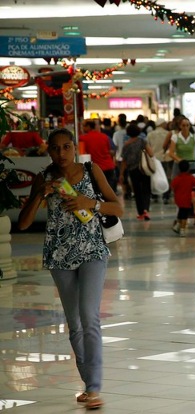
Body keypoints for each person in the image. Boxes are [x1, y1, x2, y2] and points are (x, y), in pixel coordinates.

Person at [17, 128, 124, 410]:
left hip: (93, 252)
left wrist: (93, 204)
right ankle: (89, 383)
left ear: (74, 147)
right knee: (74, 322)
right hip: (59, 256)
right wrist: (40, 193)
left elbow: (118, 208)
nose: (61, 153)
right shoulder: (43, 178)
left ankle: (94, 387)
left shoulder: (91, 170)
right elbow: (25, 223)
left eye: (66, 147)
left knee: (89, 316)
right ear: (48, 151)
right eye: (55, 148)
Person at [119, 123, 154, 220]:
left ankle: (141, 212)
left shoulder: (126, 145)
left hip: (133, 170)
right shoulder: (142, 141)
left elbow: (124, 161)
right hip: (144, 168)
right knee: (146, 190)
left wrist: (121, 174)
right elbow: (151, 153)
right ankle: (146, 210)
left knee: (137, 191)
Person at [79, 119, 117, 193]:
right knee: (110, 192)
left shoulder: (83, 138)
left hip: (97, 169)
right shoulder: (104, 137)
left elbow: (81, 153)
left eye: (83, 126)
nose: (82, 128)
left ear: (89, 127)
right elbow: (110, 151)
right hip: (109, 167)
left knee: (99, 193)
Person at [171, 160, 195, 237]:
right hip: (186, 199)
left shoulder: (177, 178)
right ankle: (182, 229)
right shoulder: (190, 178)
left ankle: (178, 225)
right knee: (184, 215)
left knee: (181, 212)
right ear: (188, 169)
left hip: (178, 199)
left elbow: (172, 186)